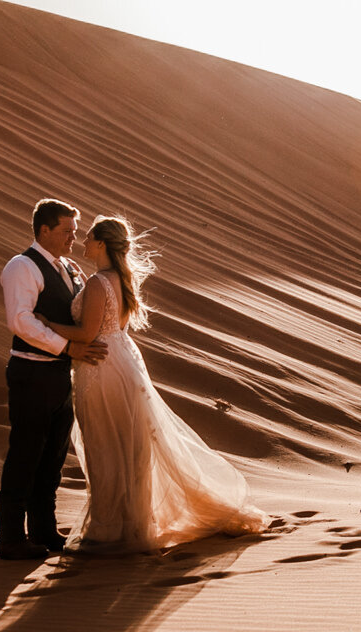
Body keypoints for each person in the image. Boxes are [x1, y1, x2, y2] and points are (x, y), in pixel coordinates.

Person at [54, 214, 268, 552]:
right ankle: (131, 525)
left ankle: (110, 529)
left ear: (101, 244)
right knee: (130, 445)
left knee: (105, 445)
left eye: (89, 237)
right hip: (123, 360)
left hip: (100, 367)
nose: (83, 242)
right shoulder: (118, 279)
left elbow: (86, 333)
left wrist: (44, 323)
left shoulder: (98, 283)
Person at [0, 199, 103, 560]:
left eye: (75, 231)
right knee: (26, 452)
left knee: (53, 456)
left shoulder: (70, 267)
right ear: (44, 230)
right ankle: (10, 537)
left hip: (61, 376)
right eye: (67, 231)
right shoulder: (22, 266)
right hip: (31, 372)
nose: (74, 237)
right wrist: (66, 348)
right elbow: (21, 321)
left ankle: (43, 529)